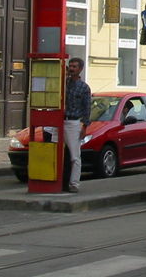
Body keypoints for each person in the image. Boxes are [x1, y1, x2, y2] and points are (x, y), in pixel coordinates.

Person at [64, 57, 91, 193]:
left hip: (73, 122)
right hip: (59, 120)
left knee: (75, 155)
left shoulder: (84, 87)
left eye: (75, 67)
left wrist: (84, 126)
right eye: (70, 66)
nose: (72, 69)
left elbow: (87, 109)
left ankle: (74, 183)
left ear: (80, 69)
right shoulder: (64, 83)